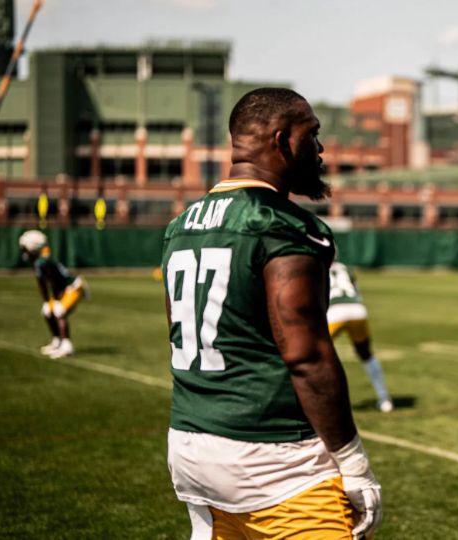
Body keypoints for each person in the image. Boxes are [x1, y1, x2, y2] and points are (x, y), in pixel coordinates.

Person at [162, 87, 381, 540]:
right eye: (312, 135)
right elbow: (307, 358)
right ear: (282, 141)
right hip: (272, 457)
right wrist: (354, 462)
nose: (320, 149)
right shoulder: (281, 224)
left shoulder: (181, 225)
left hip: (190, 442)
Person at [328, 260, 393, 413]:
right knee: (366, 354)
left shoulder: (317, 266)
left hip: (334, 312)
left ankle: (323, 403)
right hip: (357, 310)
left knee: (315, 356)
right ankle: (384, 399)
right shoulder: (345, 268)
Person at [18, 230, 87, 359]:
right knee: (47, 311)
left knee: (59, 311)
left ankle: (67, 346)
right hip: (64, 289)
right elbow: (42, 284)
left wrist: (55, 300)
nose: (24, 252)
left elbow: (53, 282)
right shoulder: (38, 262)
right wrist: (46, 302)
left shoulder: (44, 261)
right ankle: (57, 341)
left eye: (25, 248)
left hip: (74, 287)